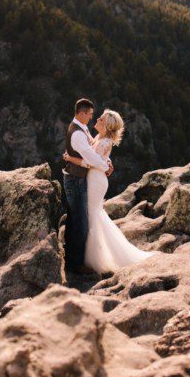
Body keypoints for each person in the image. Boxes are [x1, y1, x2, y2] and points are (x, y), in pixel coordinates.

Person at [64, 108, 157, 274]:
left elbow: (91, 161)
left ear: (106, 126)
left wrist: (70, 158)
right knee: (93, 214)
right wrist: (107, 163)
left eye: (101, 119)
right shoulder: (100, 138)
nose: (97, 119)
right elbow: (101, 158)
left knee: (92, 215)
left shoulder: (104, 141)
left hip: (95, 180)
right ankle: (90, 255)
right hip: (95, 178)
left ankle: (92, 258)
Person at [62, 98, 111, 275]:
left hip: (79, 179)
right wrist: (105, 167)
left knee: (77, 219)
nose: (91, 117)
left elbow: (97, 149)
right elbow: (90, 159)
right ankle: (75, 264)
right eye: (90, 114)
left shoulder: (82, 129)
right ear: (82, 113)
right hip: (75, 180)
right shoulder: (77, 134)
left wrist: (107, 161)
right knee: (80, 222)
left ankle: (71, 259)